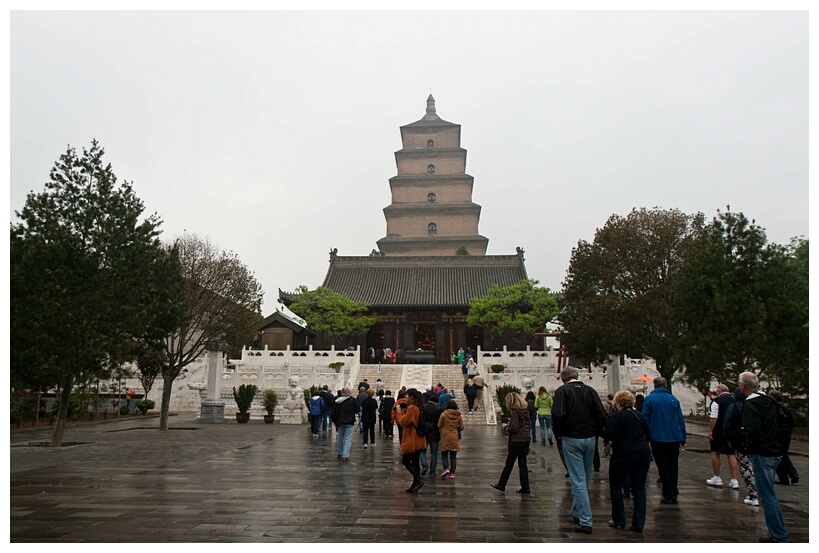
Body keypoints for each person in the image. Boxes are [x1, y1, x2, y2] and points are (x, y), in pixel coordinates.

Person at [552, 366, 607, 534]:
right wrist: (596, 432)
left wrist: (559, 434)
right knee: (583, 478)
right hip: (590, 439)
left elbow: (558, 415)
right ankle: (576, 512)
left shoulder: (563, 392)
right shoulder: (590, 390)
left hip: (571, 438)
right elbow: (601, 415)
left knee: (578, 480)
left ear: (563, 379)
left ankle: (585, 521)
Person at [739, 371, 789, 542]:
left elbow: (752, 430)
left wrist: (749, 446)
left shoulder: (751, 404)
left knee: (767, 495)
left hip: (761, 453)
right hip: (775, 452)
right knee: (769, 494)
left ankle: (779, 535)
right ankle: (778, 532)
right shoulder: (771, 402)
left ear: (742, 386)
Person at [600, 390, 651, 533]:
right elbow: (648, 434)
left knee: (616, 485)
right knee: (639, 487)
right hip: (642, 452)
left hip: (623, 453)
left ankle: (619, 519)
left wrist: (599, 430)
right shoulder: (638, 415)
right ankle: (639, 522)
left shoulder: (617, 416)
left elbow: (611, 435)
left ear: (619, 403)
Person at [642, 376, 686, 505]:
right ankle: (673, 489)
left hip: (658, 437)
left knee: (663, 465)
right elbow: (680, 419)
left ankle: (668, 493)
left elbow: (645, 419)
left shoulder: (650, 399)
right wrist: (683, 437)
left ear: (654, 385)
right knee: (673, 465)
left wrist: (645, 436)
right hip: (674, 437)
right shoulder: (673, 399)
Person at [723, 385, 759, 507]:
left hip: (740, 440)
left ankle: (753, 493)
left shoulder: (734, 407)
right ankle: (757, 492)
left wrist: (729, 438)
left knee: (746, 467)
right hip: (754, 440)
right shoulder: (753, 406)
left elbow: (727, 424)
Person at [490, 393, 531, 493]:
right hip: (526, 439)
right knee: (523, 464)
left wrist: (506, 428)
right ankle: (525, 486)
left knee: (509, 463)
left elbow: (515, 427)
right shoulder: (524, 411)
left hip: (517, 440)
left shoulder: (515, 412)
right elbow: (528, 424)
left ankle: (501, 484)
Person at [706, 383, 740, 489]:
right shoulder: (735, 401)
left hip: (719, 430)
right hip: (732, 431)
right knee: (731, 454)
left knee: (715, 452)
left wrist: (711, 430)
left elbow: (714, 417)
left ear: (718, 392)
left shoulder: (717, 401)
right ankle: (734, 480)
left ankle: (717, 477)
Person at [394, 388, 427, 493]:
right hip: (418, 438)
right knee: (415, 461)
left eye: (407, 396)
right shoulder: (418, 407)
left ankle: (419, 480)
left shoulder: (412, 408)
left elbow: (403, 421)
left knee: (406, 460)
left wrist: (399, 412)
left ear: (411, 397)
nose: (406, 397)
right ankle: (415, 484)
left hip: (412, 438)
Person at [769, 390, 799, 485]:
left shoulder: (772, 409)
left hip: (777, 434)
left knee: (777, 455)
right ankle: (793, 474)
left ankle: (783, 478)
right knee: (784, 454)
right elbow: (792, 423)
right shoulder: (786, 409)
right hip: (787, 434)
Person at [437, 399, 464, 480]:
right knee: (453, 455)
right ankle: (452, 473)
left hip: (445, 435)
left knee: (444, 453)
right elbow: (462, 427)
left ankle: (446, 468)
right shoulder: (458, 415)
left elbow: (439, 425)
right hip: (454, 436)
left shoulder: (444, 414)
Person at [419, 395, 442, 477]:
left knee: (422, 450)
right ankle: (432, 471)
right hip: (435, 432)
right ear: (436, 402)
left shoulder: (423, 407)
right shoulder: (438, 409)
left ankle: (424, 465)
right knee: (434, 453)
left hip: (424, 432)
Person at [332, 387, 357, 463]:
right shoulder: (352, 400)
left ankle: (339, 453)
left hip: (340, 422)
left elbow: (333, 412)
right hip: (349, 422)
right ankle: (345, 455)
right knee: (347, 438)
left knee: (340, 437)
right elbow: (357, 409)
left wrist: (335, 421)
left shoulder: (337, 401)